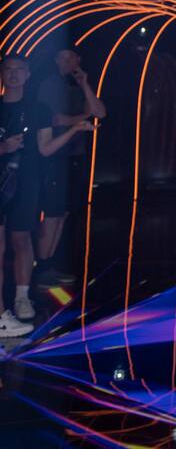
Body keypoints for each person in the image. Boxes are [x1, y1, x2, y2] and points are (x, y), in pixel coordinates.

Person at [0, 55, 93, 333]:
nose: (14, 75)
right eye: (9, 69)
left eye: (19, 70)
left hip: (26, 183)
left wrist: (74, 129)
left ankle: (22, 297)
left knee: (22, 240)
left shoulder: (37, 109)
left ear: (28, 75)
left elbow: (45, 147)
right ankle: (4, 313)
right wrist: (4, 148)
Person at [36, 48, 106, 284]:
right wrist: (82, 119)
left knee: (64, 212)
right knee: (53, 213)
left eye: (72, 57)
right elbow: (54, 119)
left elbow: (99, 112)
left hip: (75, 155)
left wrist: (85, 84)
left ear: (79, 59)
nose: (68, 61)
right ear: (56, 59)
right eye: (63, 57)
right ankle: (42, 267)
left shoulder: (76, 85)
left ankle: (49, 265)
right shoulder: (50, 84)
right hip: (55, 155)